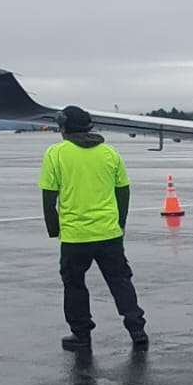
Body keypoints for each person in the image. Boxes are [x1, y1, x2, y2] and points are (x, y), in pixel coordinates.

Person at [39, 106, 148, 354]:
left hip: (75, 237)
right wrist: (120, 223)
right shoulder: (110, 153)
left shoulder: (56, 154)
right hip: (109, 233)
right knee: (120, 281)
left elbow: (49, 197)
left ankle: (81, 335)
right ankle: (137, 329)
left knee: (75, 284)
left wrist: (53, 229)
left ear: (64, 127)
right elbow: (123, 191)